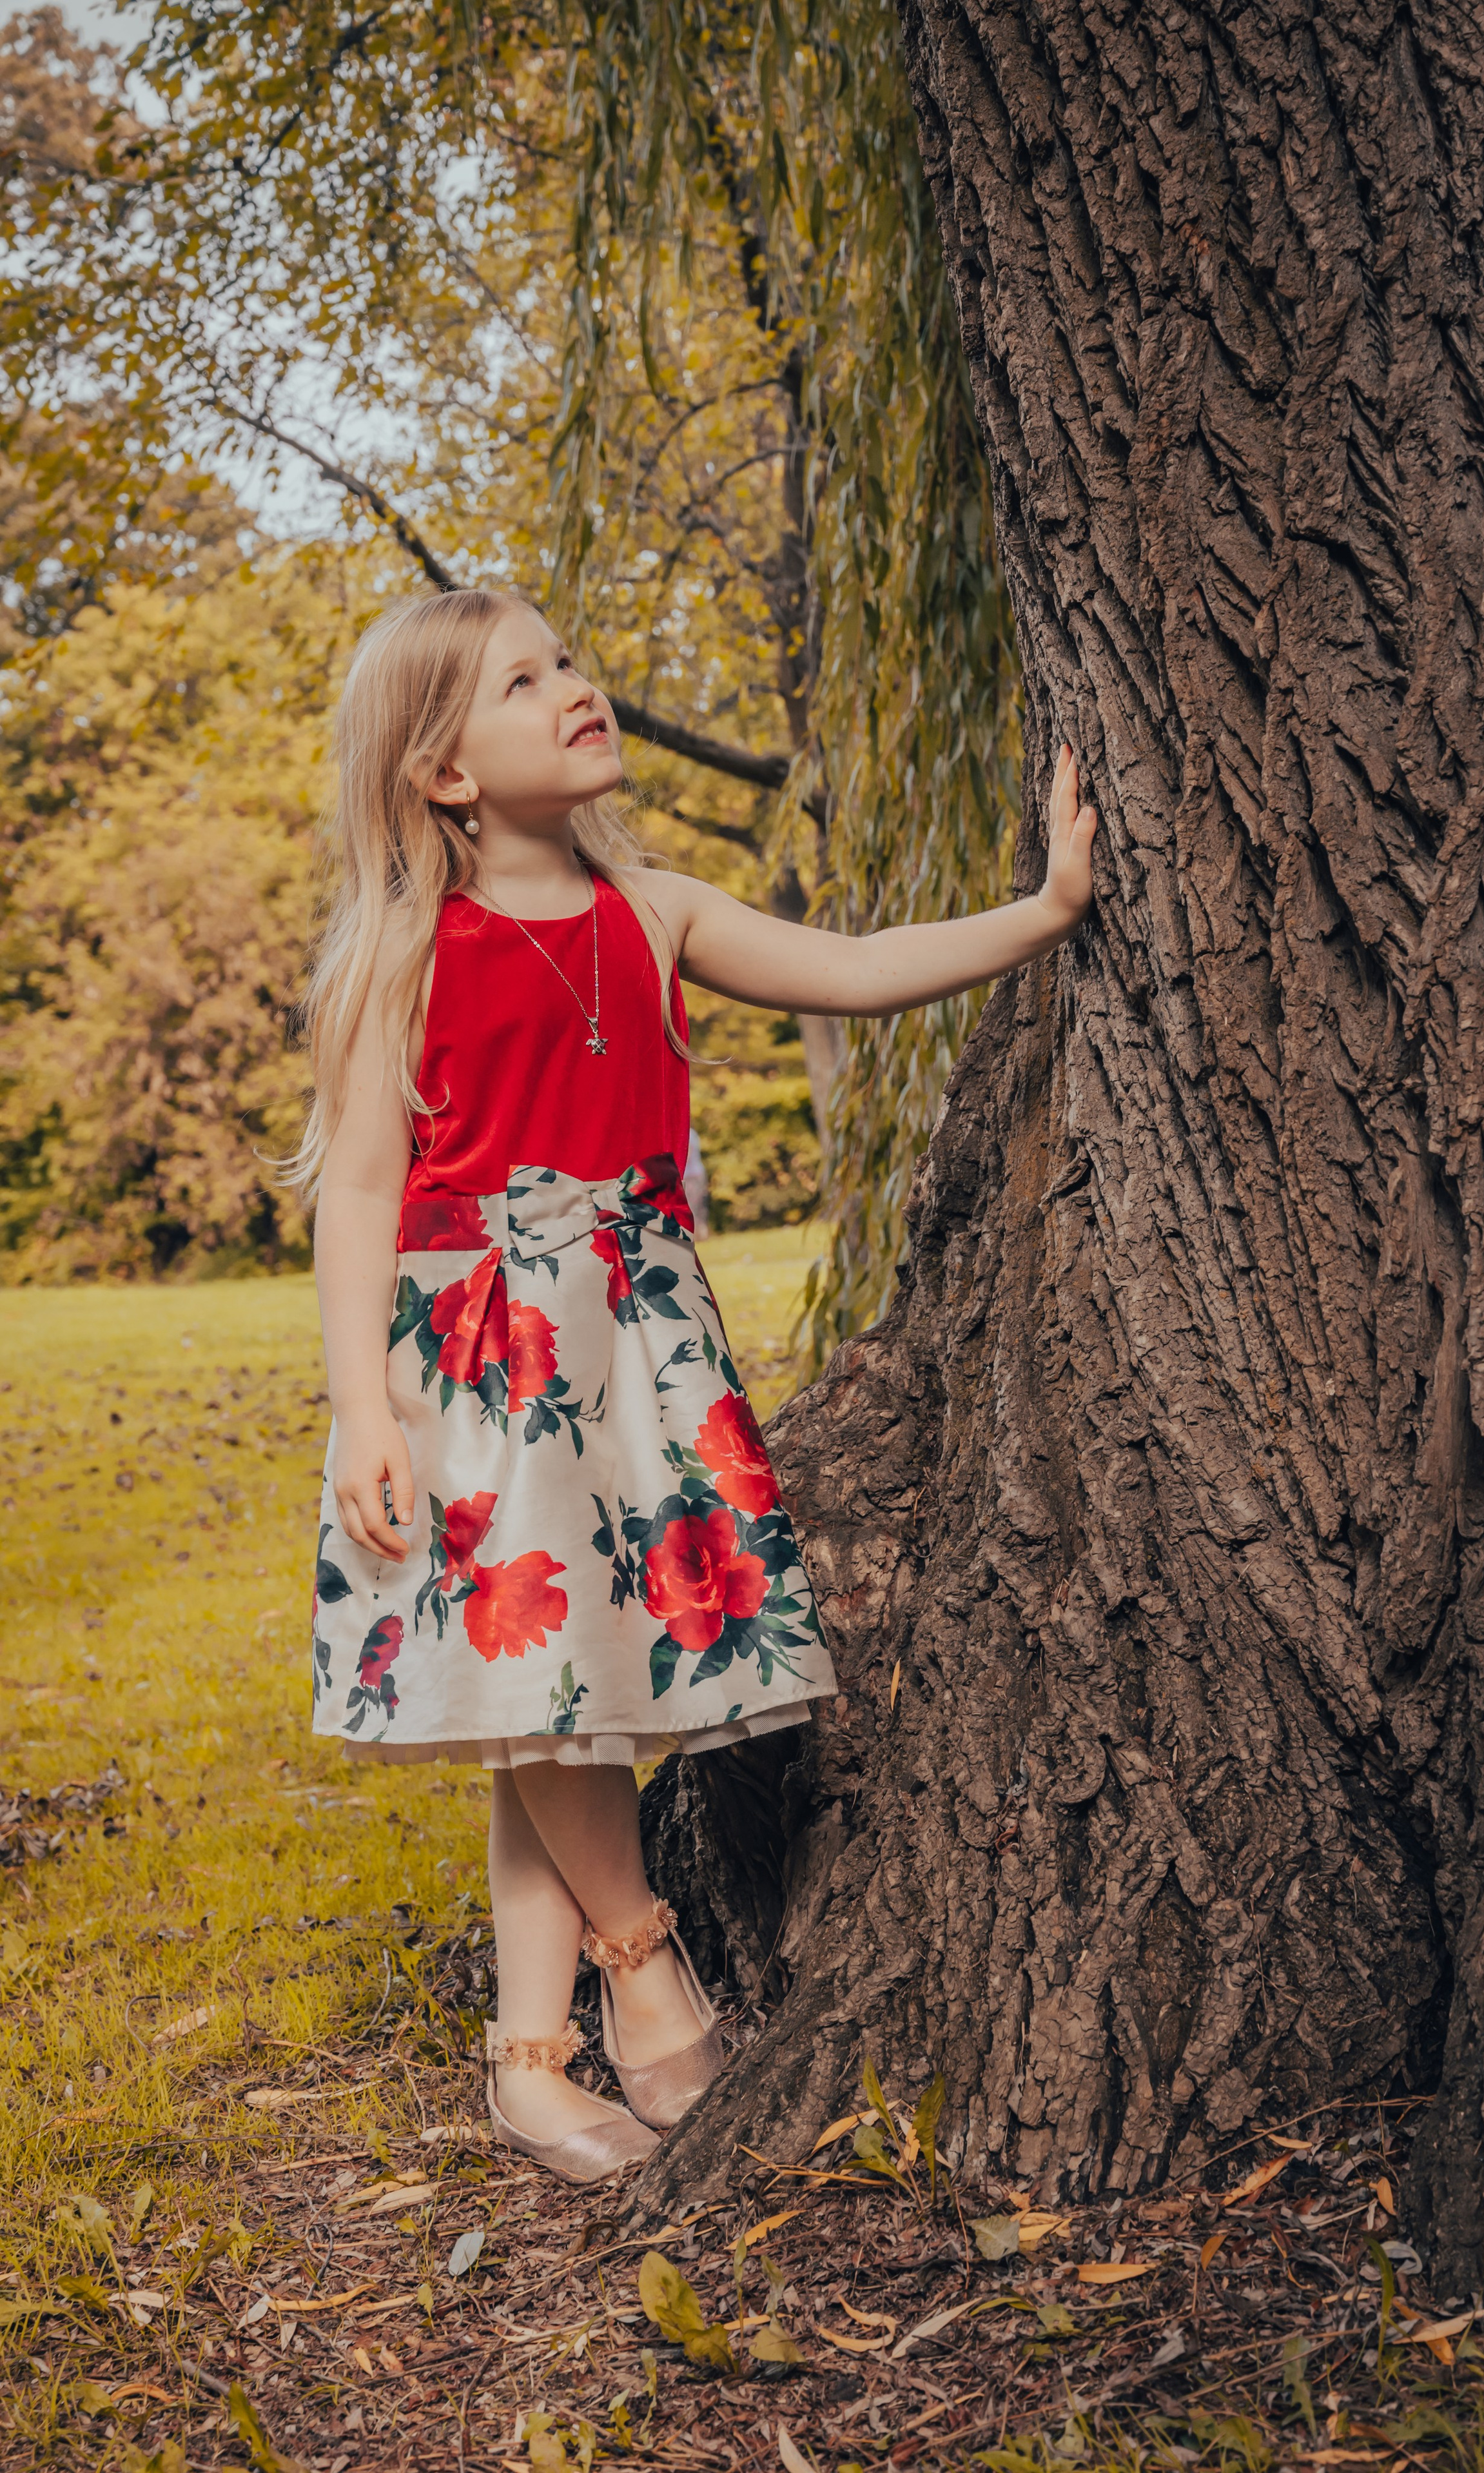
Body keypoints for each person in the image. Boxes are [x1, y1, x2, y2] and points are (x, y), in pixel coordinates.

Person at [296, 589, 1097, 2182]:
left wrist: (1046, 910)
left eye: (567, 663)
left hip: (638, 1335)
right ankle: (644, 1973)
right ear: (444, 773)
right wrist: (363, 1410)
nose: (575, 690)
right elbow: (358, 1191)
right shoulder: (398, 952)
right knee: (546, 1673)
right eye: (523, 684)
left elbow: (855, 968)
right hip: (491, 1352)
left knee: (569, 1688)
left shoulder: (651, 912)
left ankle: (529, 2060)